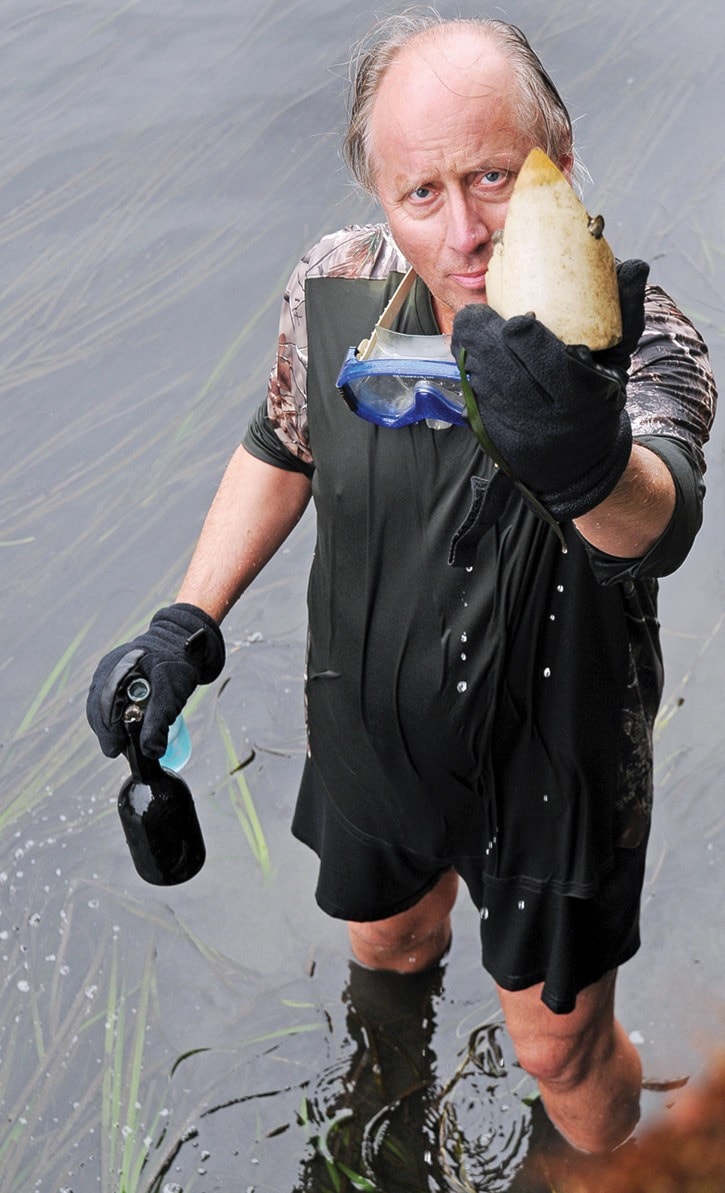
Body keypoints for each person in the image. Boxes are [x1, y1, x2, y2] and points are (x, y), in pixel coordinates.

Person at [87, 13, 717, 1162]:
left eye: (489, 175)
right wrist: (188, 623)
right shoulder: (333, 287)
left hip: (554, 772)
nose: (462, 229)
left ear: (556, 154)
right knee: (383, 942)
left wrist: (585, 462)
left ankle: (613, 1160)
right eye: (419, 191)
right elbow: (279, 446)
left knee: (556, 1056)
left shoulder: (639, 338)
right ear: (377, 195)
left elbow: (658, 515)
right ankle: (385, 1103)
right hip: (373, 734)